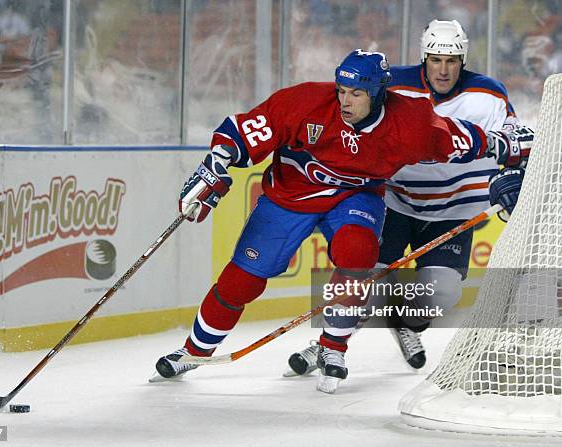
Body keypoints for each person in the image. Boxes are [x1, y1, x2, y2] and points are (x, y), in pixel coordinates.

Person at [150, 49, 532, 394]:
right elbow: (244, 130)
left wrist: (514, 150)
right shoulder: (306, 101)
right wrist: (216, 163)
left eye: (357, 94)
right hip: (290, 196)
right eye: (342, 90)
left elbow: (466, 140)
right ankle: (194, 352)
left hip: (355, 198)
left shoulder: (411, 123)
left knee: (358, 252)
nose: (345, 101)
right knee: (242, 278)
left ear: (379, 93)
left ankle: (333, 348)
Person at [285, 20, 530, 379]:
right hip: (395, 202)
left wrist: (514, 173)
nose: (443, 70)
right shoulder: (393, 84)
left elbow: (515, 143)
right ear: (423, 57)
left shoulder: (489, 95)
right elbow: (349, 114)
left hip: (454, 212)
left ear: (462, 60)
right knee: (362, 279)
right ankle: (326, 343)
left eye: (451, 61)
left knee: (442, 294)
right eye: (435, 60)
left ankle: (403, 320)